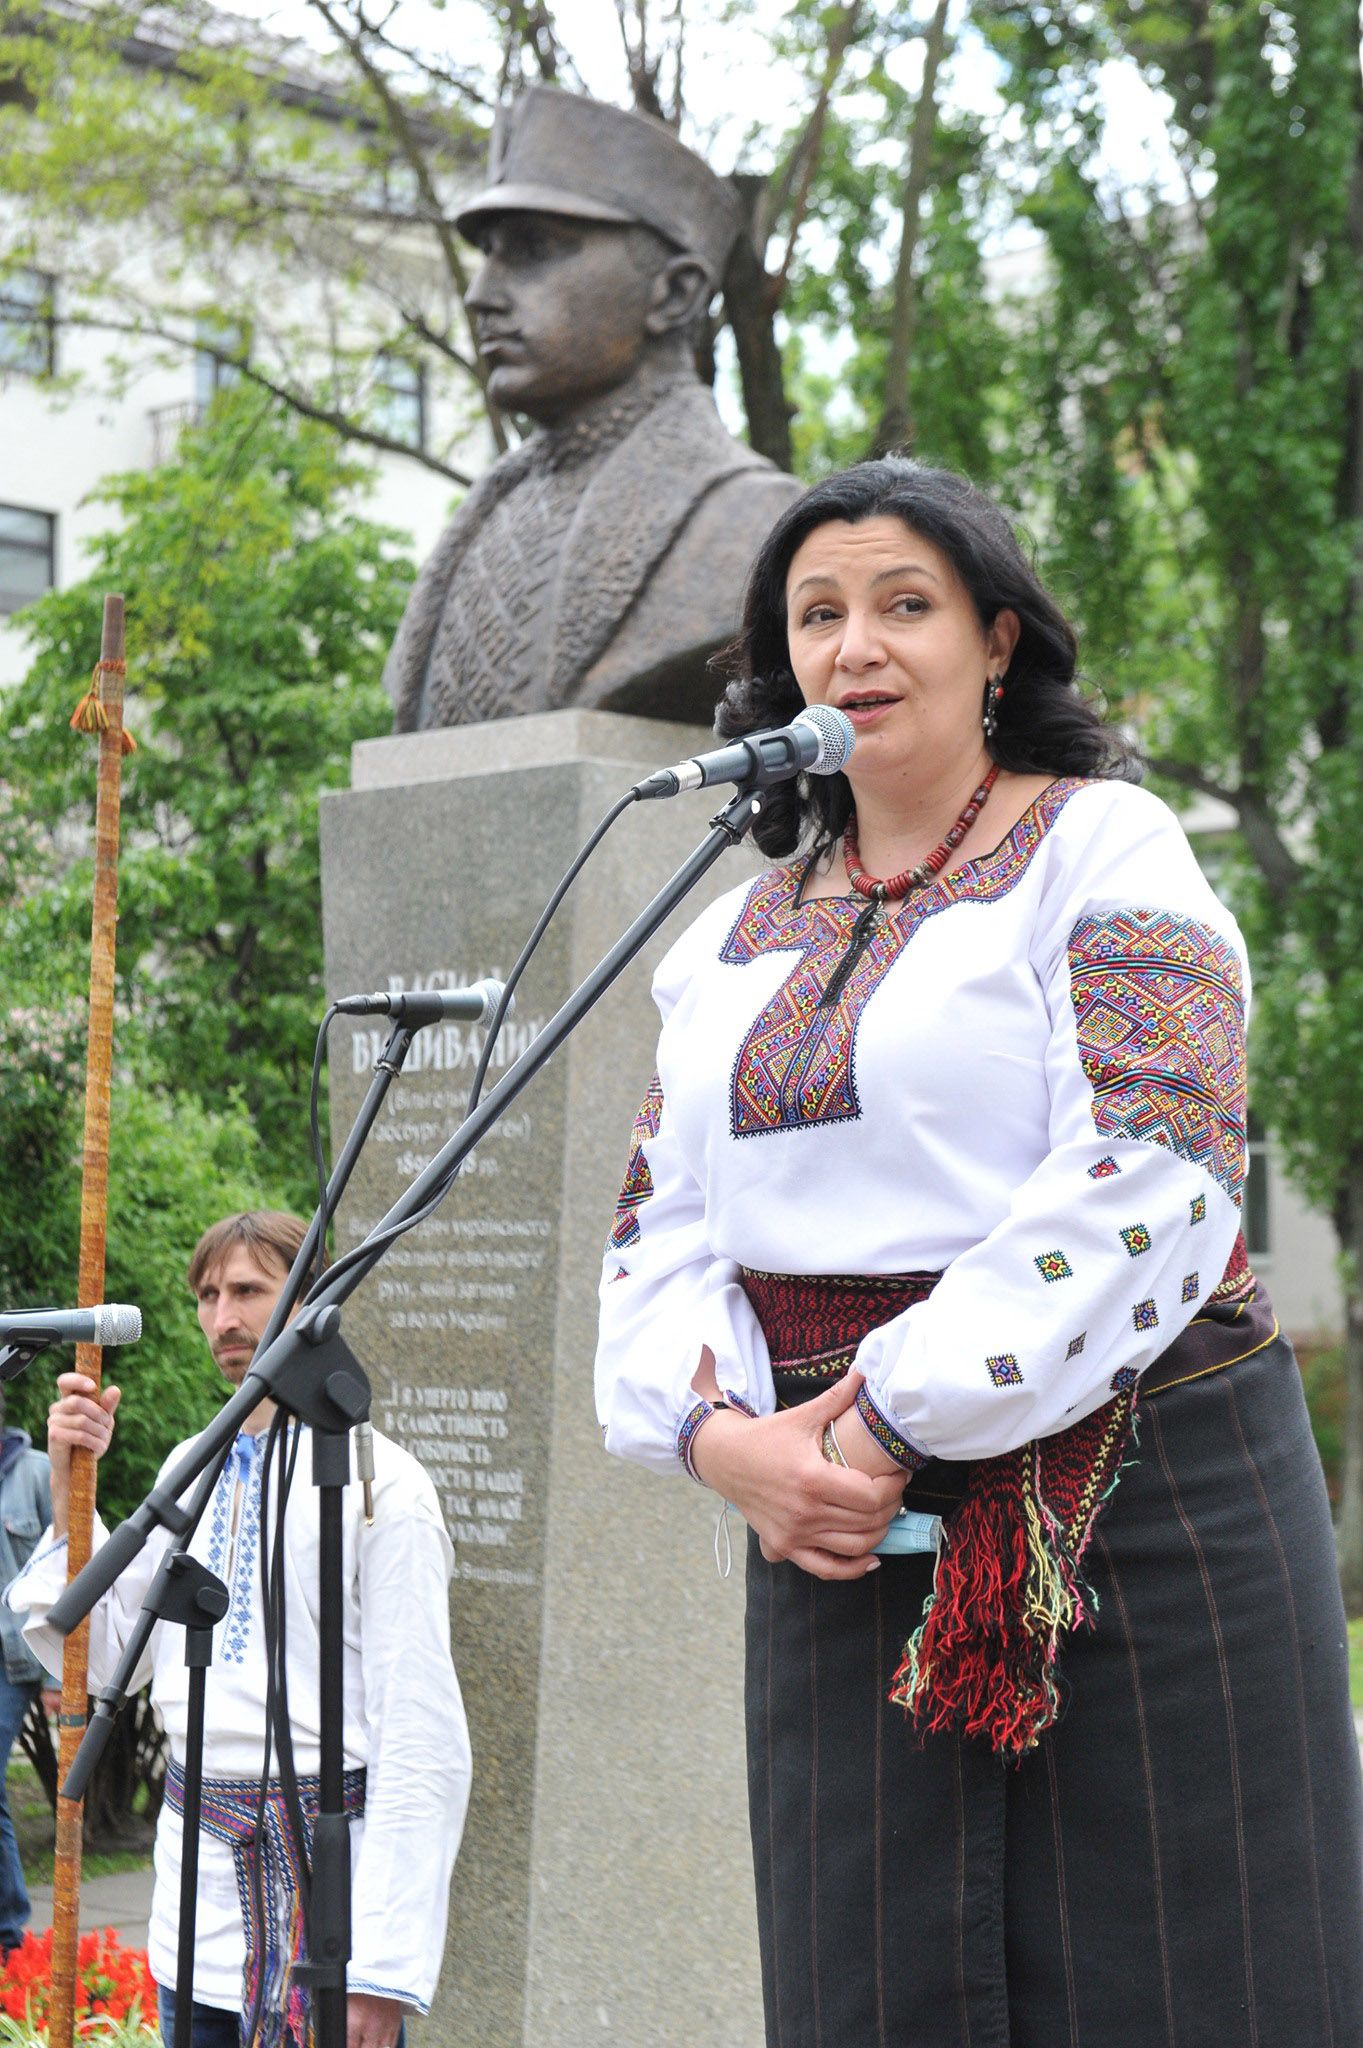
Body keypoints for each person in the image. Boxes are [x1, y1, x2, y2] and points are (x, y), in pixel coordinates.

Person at [594, 459, 1363, 2046]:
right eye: (817, 615)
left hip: (1134, 1499)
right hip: (830, 1534)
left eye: (902, 605)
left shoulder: (1105, 846)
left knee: (1173, 1966)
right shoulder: (722, 941)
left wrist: (885, 1416)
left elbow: (1160, 1159)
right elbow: (657, 1232)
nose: (855, 645)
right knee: (867, 1979)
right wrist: (720, 1442)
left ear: (996, 640)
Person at [9, 1211, 471, 2048]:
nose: (223, 1317)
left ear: (312, 1301)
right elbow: (112, 1657)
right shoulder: (190, 1465)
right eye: (208, 1294)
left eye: (249, 1291)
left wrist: (383, 1969)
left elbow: (423, 1737)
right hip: (194, 1915)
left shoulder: (385, 1491)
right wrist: (76, 1487)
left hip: (328, 1923)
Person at [383, 85, 799, 732]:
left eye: (531, 249)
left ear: (674, 292)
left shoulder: (758, 527)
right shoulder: (483, 523)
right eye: (487, 253)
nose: (480, 294)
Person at [0, 1381, 53, 1958]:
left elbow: (67, 1567)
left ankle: (8, 1935)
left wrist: (61, 1677)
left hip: (11, 1663)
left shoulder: (35, 1471)